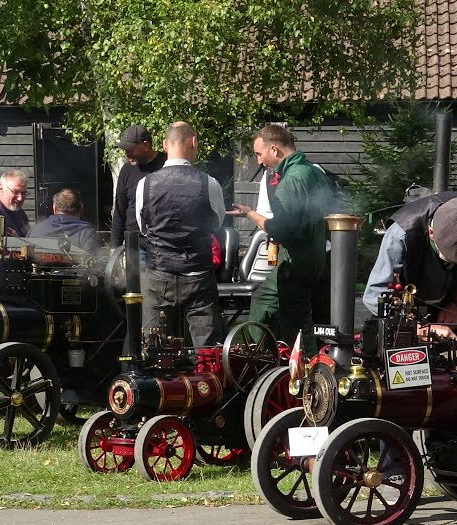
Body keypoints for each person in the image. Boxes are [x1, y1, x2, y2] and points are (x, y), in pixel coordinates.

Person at [230, 124, 333, 356]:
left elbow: (283, 229)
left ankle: (266, 359)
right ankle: (272, 356)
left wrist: (251, 214)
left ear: (274, 149)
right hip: (316, 257)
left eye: (259, 154)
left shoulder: (291, 180)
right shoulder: (315, 172)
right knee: (272, 302)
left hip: (296, 262)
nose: (259, 161)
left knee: (295, 324)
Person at [135, 121, 226, 347]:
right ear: (193, 142)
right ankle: (204, 371)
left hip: (158, 273)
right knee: (207, 349)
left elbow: (143, 228)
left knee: (154, 347)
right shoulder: (209, 183)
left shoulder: (145, 184)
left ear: (165, 145)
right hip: (198, 274)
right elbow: (216, 223)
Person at [362, 192, 457, 338]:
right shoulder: (401, 232)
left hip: (452, 304)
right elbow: (375, 294)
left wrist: (455, 304)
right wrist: (419, 329)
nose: (455, 265)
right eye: (447, 258)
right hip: (407, 310)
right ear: (431, 232)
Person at [113, 125, 167, 248]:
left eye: (130, 149)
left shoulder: (166, 165)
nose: (127, 154)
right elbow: (119, 211)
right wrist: (114, 248)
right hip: (134, 244)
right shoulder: (126, 170)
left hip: (163, 243)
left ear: (146, 145)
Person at [28, 188, 102, 255]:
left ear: (54, 208)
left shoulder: (35, 230)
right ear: (81, 208)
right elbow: (93, 262)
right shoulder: (87, 233)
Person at [0, 170, 31, 237]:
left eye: (23, 193)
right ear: (1, 188)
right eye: (15, 192)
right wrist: (9, 232)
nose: (20, 198)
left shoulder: (17, 211)